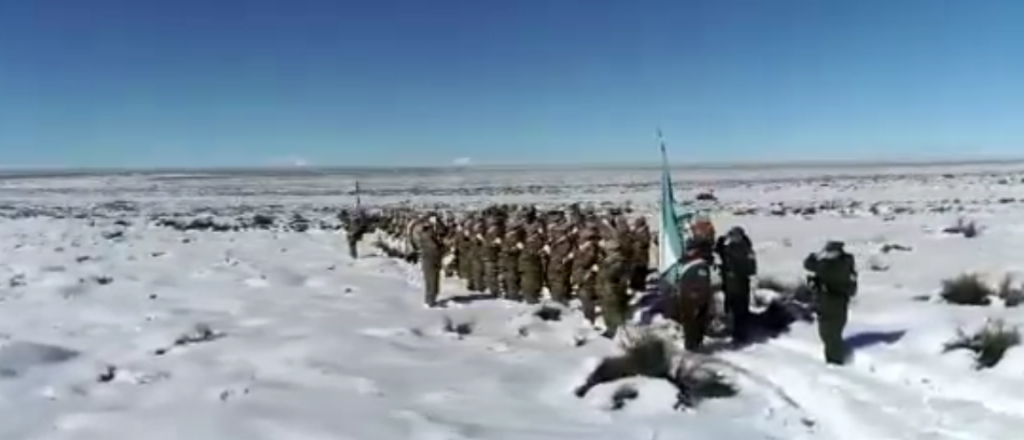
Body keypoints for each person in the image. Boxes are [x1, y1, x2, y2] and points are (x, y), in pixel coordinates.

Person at [803, 241, 858, 365]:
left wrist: (816, 255)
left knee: (829, 335)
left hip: (831, 304)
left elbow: (808, 264)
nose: (827, 255)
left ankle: (835, 363)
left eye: (829, 252)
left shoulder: (829, 266)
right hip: (838, 303)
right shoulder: (846, 263)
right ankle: (835, 359)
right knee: (832, 334)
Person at [716, 226, 757, 344]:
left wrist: (736, 271)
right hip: (730, 285)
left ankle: (741, 337)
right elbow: (721, 253)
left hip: (740, 286)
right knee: (731, 310)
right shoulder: (731, 248)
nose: (732, 238)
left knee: (740, 312)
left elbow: (751, 269)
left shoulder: (746, 250)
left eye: (734, 235)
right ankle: (734, 333)